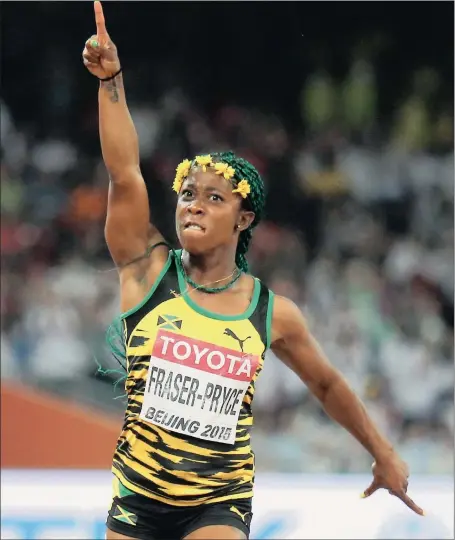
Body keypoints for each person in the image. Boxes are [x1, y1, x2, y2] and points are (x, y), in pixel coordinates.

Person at [82, 2, 424, 539]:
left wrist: (382, 452)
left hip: (220, 499)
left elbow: (327, 383)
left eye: (213, 198)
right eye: (187, 194)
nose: (192, 205)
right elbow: (124, 174)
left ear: (243, 220)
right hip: (138, 499)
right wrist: (111, 82)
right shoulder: (146, 271)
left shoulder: (272, 312)